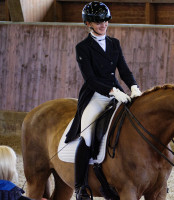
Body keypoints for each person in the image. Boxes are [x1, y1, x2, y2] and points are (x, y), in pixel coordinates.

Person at [64, 1, 142, 199]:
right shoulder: (83, 48)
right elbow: (90, 79)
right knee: (88, 135)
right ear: (88, 23)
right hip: (96, 97)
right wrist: (112, 90)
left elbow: (123, 69)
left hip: (118, 95)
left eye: (106, 20)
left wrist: (133, 86)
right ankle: (81, 187)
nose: (104, 24)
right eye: (98, 21)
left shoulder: (114, 43)